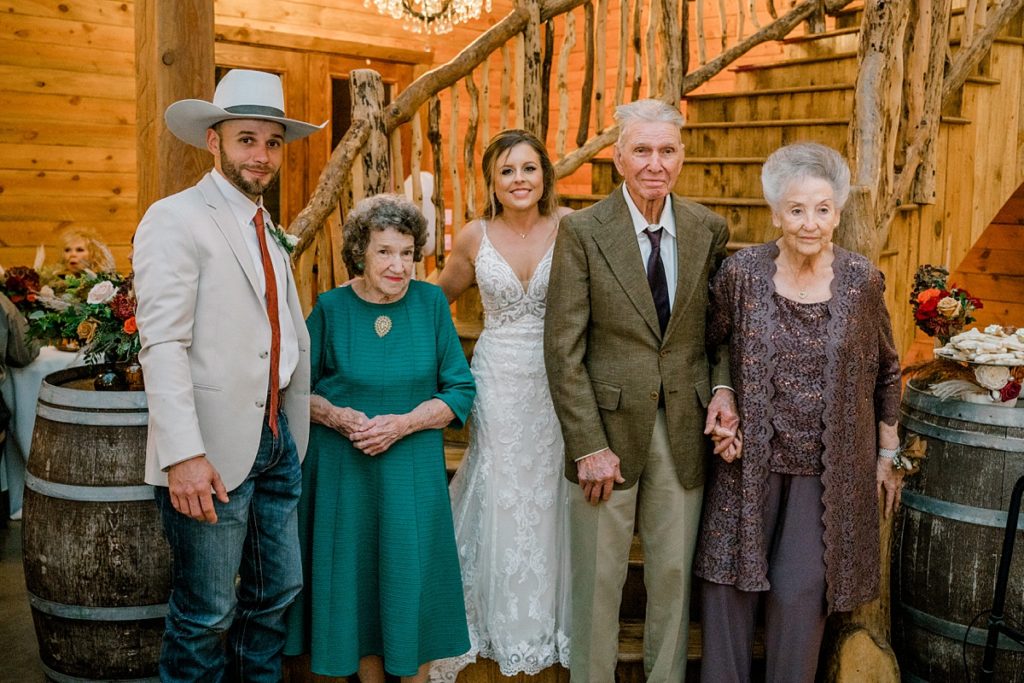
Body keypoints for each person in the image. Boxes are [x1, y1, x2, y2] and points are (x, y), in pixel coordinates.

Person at [132, 68, 326, 681]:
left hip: (276, 443)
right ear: (214, 141)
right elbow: (161, 343)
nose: (262, 155)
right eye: (247, 139)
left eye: (273, 142)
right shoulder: (176, 217)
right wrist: (183, 454)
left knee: (273, 599)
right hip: (210, 453)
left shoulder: (266, 227)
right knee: (206, 613)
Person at [543, 99, 739, 683]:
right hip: (604, 435)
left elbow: (718, 333)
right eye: (643, 150)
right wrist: (586, 445)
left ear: (681, 156)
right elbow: (563, 350)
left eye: (668, 150)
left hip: (683, 427)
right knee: (600, 581)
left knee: (674, 579)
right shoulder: (581, 231)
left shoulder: (708, 229)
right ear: (618, 159)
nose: (656, 163)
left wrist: (724, 388)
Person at [694, 142, 903, 683]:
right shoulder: (741, 273)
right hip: (747, 465)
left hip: (825, 475)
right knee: (725, 589)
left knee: (799, 596)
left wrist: (887, 452)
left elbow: (887, 368)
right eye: (797, 210)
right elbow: (708, 345)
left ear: (837, 213)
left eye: (823, 209)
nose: (810, 224)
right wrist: (723, 394)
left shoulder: (862, 281)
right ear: (775, 213)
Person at [284, 194, 476, 682]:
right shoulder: (331, 308)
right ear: (360, 254)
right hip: (344, 476)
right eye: (385, 252)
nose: (399, 265)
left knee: (408, 583)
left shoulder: (431, 303)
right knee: (358, 588)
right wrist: (337, 416)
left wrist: (403, 423)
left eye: (408, 253)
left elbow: (459, 389)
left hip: (410, 472)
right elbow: (293, 390)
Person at [430, 130, 574, 681]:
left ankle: (547, 616)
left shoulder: (570, 228)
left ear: (544, 176)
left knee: (547, 486)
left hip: (555, 376)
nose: (519, 180)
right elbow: (435, 296)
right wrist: (371, 290)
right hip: (495, 375)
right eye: (507, 170)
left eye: (529, 168)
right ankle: (483, 616)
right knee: (498, 480)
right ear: (492, 181)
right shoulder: (473, 236)